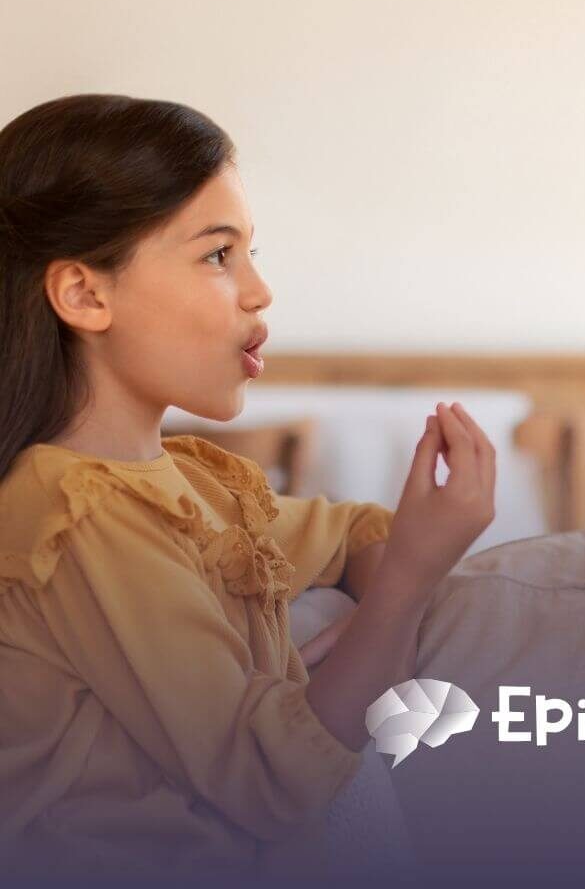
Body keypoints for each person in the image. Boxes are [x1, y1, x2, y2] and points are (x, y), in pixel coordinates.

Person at [0, 94, 498, 877]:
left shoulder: (197, 483)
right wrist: (404, 589)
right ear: (84, 296)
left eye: (251, 253)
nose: (259, 291)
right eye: (217, 255)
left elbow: (356, 532)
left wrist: (384, 612)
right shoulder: (76, 510)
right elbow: (273, 781)